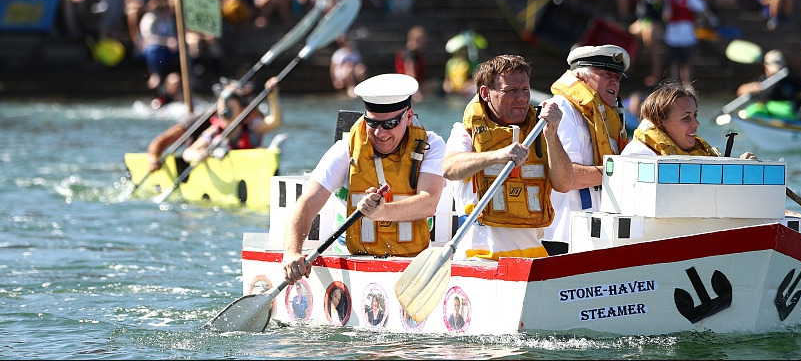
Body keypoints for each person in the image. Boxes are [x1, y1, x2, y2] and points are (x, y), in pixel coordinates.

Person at [281, 74, 446, 279]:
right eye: (372, 123)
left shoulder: (432, 145)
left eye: (391, 123)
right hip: (352, 261)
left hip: (412, 265)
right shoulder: (345, 148)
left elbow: (428, 203)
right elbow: (306, 203)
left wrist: (382, 212)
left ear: (409, 117)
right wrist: (291, 252)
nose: (380, 133)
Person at [621, 81, 801, 230]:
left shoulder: (697, 152)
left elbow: (736, 207)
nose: (696, 123)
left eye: (695, 115)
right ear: (660, 123)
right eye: (686, 118)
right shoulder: (638, 156)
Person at [441, 54, 573, 260]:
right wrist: (497, 156)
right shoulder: (464, 132)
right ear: (485, 93)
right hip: (480, 258)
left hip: (532, 257)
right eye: (511, 91)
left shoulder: (540, 131)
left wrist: (553, 135)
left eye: (525, 90)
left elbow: (564, 184)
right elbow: (449, 168)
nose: (521, 98)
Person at [542, 45, 631, 256]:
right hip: (563, 234)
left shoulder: (608, 115)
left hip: (596, 232)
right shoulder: (561, 109)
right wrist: (622, 172)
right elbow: (567, 177)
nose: (614, 83)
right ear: (580, 76)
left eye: (618, 78)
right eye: (606, 75)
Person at [181, 77, 282, 165]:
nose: (225, 114)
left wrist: (272, 96)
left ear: (242, 110)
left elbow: (275, 121)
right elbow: (187, 153)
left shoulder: (251, 126)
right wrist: (198, 155)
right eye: (222, 109)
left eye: (230, 109)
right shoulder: (214, 132)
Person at [735, 50, 801, 120]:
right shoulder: (762, 80)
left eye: (779, 70)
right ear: (765, 67)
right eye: (774, 71)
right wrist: (751, 88)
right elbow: (740, 91)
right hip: (768, 113)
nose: (777, 73)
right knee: (751, 110)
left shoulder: (791, 78)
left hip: (788, 113)